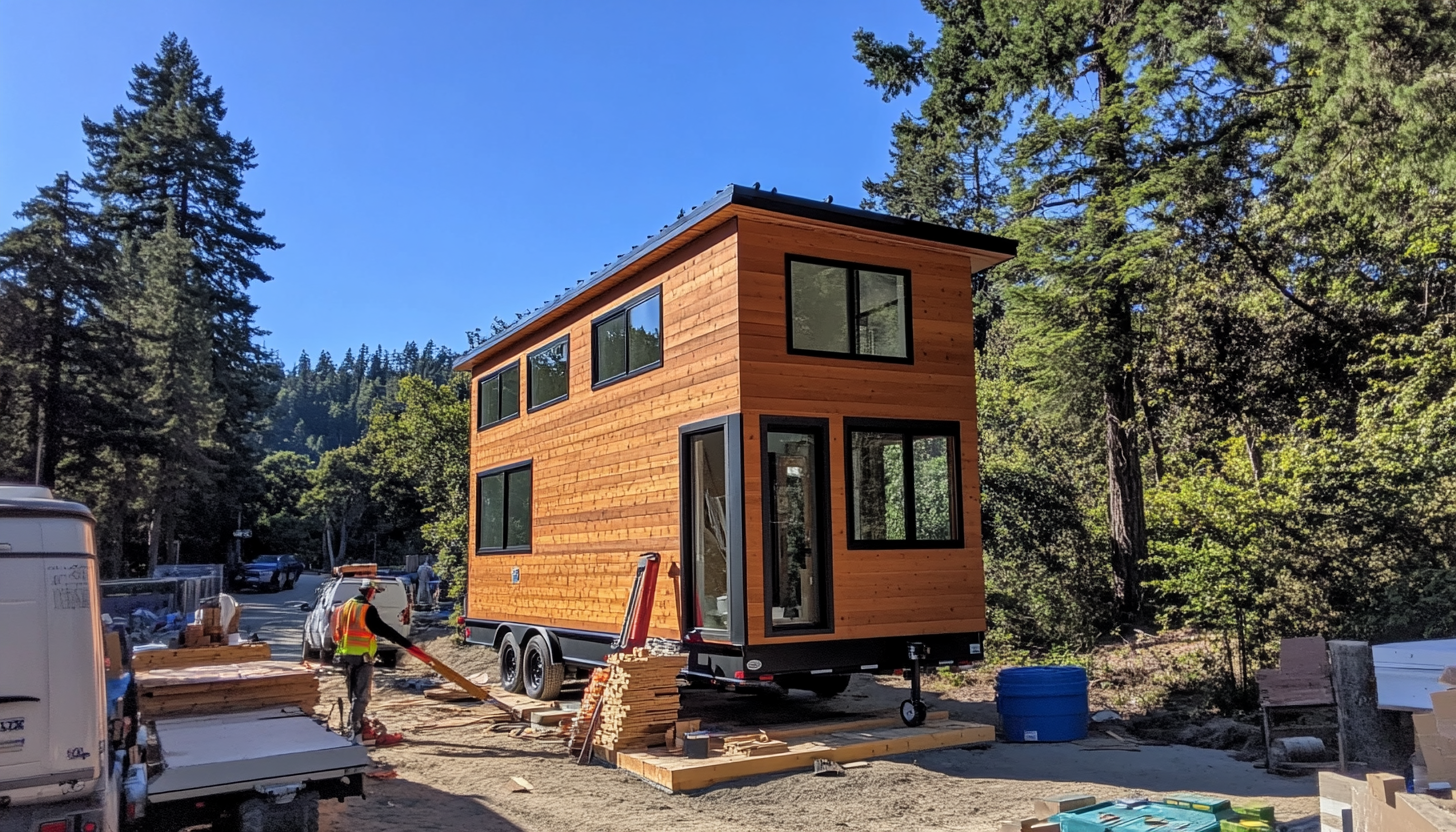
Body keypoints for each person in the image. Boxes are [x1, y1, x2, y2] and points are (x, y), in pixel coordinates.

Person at [332, 578, 413, 738]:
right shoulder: (366, 609)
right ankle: (355, 728)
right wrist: (405, 643)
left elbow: (336, 631)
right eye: (375, 592)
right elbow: (383, 629)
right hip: (362, 657)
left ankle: (354, 723)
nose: (374, 595)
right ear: (370, 591)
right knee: (362, 695)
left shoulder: (345, 607)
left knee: (353, 693)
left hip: (344, 655)